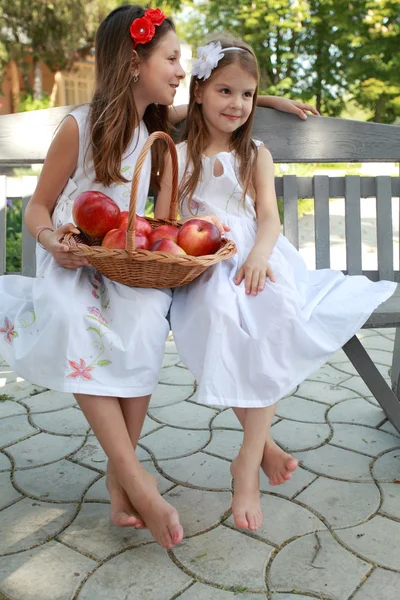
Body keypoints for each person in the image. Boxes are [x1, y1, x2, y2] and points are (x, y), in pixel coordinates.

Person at [0, 6, 319, 546]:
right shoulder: (80, 125)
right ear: (133, 62)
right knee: (80, 319)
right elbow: (39, 207)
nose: (181, 68)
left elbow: (214, 99)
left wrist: (260, 100)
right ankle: (133, 475)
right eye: (171, 58)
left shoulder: (154, 124)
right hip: (79, 259)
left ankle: (120, 473)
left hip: (131, 264)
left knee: (148, 317)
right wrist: (52, 240)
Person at [155, 36, 397, 531]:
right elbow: (164, 220)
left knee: (272, 316)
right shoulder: (177, 154)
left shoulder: (256, 153)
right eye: (226, 91)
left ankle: (246, 462)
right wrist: (262, 99)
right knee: (218, 318)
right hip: (202, 261)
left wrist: (261, 256)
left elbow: (268, 218)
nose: (238, 105)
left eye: (248, 95)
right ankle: (262, 447)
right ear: (199, 89)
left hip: (258, 258)